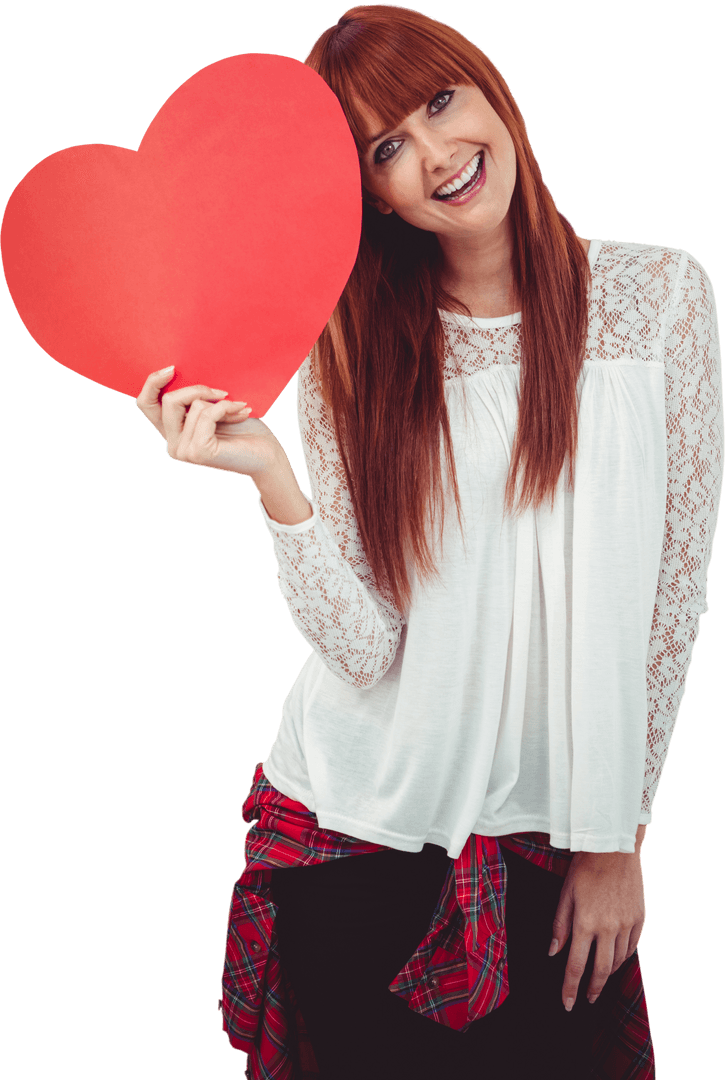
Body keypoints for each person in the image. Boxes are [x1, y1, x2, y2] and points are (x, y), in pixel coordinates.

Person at [134, 6, 723, 1078]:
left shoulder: (661, 298)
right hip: (361, 837)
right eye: (386, 148)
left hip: (558, 842)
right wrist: (275, 483)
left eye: (439, 102)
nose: (436, 154)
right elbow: (364, 647)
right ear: (370, 193)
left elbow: (670, 600)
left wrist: (617, 843)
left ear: (491, 91)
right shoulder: (352, 350)